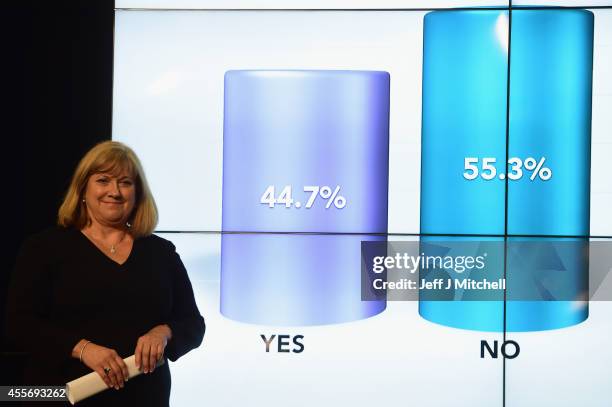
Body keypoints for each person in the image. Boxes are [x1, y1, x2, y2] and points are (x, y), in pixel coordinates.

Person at [5, 140, 205, 406]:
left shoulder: (162, 253)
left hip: (144, 397)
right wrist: (82, 348)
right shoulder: (44, 248)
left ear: (137, 194)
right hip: (62, 394)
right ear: (83, 189)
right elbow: (19, 324)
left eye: (125, 182)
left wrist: (163, 332)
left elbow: (193, 324)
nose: (115, 191)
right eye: (103, 180)